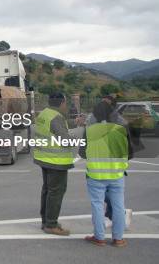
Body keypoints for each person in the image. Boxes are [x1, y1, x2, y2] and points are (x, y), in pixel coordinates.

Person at [80, 101, 133, 247]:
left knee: (97, 205)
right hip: (117, 174)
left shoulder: (90, 129)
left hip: (95, 174)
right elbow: (130, 153)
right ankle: (118, 239)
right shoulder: (122, 128)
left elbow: (82, 153)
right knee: (118, 206)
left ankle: (99, 238)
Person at [33, 92, 76, 236]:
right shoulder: (56, 117)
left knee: (47, 190)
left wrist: (74, 123)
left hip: (44, 157)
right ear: (62, 103)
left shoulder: (45, 113)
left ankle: (46, 221)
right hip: (56, 160)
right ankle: (51, 224)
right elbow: (65, 140)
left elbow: (52, 131)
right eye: (65, 103)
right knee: (56, 192)